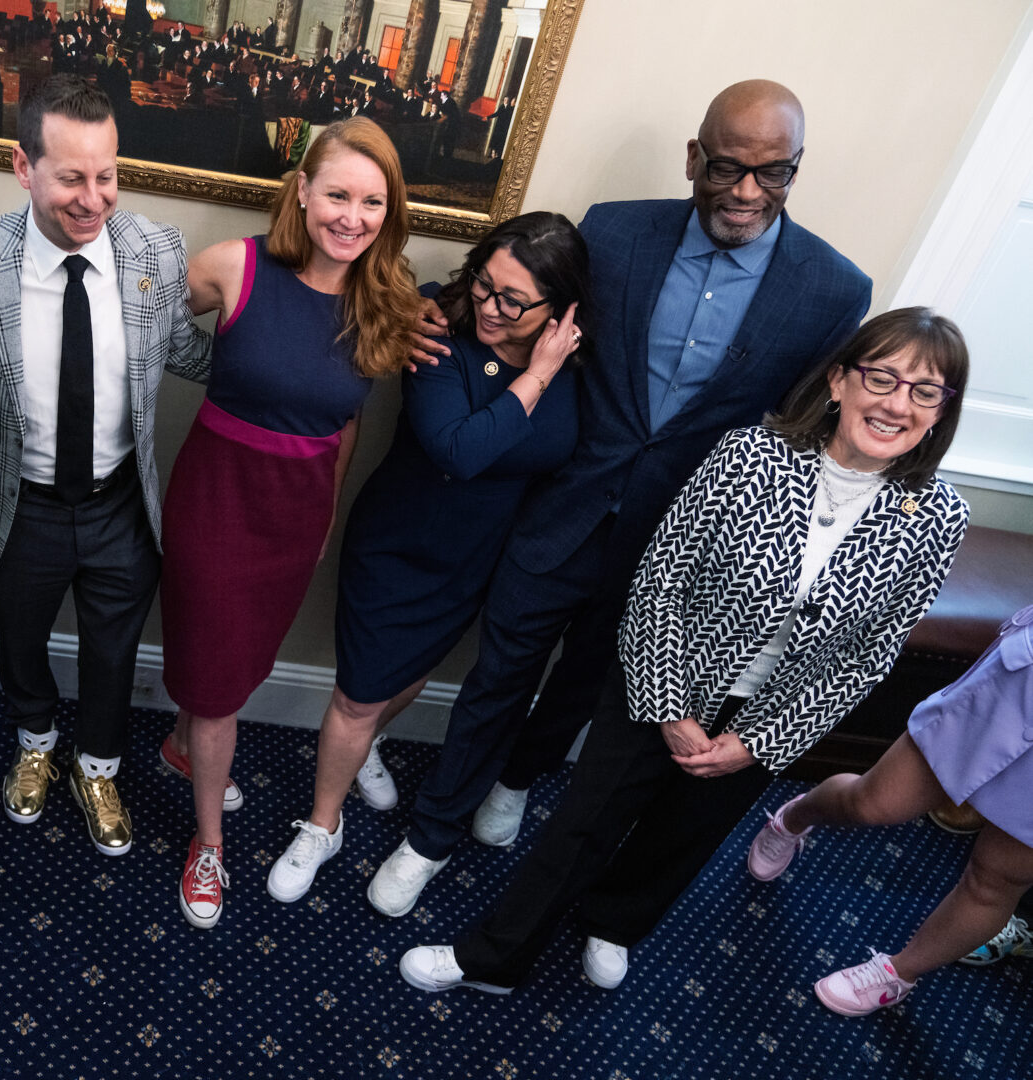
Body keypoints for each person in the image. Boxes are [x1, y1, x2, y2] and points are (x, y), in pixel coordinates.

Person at [370, 79, 873, 918]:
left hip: (679, 542)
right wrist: (437, 314)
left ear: (795, 170)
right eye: (727, 167)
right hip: (562, 505)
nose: (747, 193)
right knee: (500, 673)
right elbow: (519, 304)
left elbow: (798, 432)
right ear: (693, 157)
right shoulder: (611, 230)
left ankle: (521, 777)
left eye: (773, 173)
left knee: (589, 684)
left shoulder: (833, 289)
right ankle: (430, 833)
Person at [400, 307, 971, 995]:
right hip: (662, 683)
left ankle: (615, 920)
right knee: (581, 826)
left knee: (683, 836)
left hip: (767, 719)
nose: (896, 403)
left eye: (924, 390)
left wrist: (759, 740)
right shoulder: (748, 455)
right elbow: (661, 582)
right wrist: (670, 708)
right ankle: (494, 956)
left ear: (940, 413)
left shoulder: (940, 518)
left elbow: (868, 656)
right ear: (838, 383)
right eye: (882, 378)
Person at [266, 213, 589, 904]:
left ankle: (369, 745)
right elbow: (459, 451)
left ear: (560, 311)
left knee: (408, 673)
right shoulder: (437, 328)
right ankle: (323, 825)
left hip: (476, 558)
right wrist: (535, 376)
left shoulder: (579, 365)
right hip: (398, 543)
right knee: (356, 693)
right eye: (484, 284)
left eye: (513, 300)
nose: (489, 306)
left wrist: (551, 369)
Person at [0, 76, 211, 860]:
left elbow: (189, 355)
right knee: (20, 639)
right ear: (24, 168)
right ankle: (33, 739)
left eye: (108, 174)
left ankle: (98, 767)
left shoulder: (156, 251)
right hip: (21, 505)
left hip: (123, 501)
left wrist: (311, 343)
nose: (95, 199)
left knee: (114, 652)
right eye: (72, 178)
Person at [157, 118, 418, 929]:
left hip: (295, 518)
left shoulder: (392, 302)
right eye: (337, 193)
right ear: (301, 193)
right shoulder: (233, 266)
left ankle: (180, 744)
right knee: (218, 681)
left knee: (231, 669)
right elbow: (137, 317)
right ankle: (209, 844)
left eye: (372, 201)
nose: (353, 215)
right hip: (216, 503)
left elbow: (347, 427)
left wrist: (323, 522)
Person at [747, 599, 1032, 1015]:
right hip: (1019, 690)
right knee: (873, 802)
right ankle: (795, 817)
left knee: (996, 881)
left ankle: (899, 974)